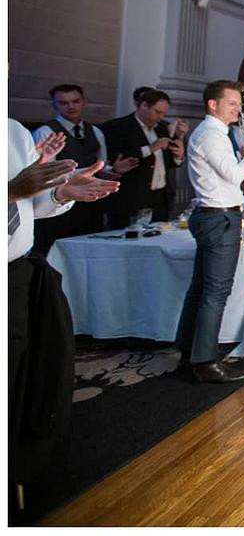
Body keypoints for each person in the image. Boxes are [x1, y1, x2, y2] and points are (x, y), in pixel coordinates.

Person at [9, 119, 119, 491]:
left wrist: (61, 194)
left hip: (18, 273)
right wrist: (8, 192)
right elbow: (14, 194)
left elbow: (33, 206)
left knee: (21, 378)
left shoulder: (14, 132)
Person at [175, 80, 244, 383]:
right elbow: (234, 176)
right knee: (215, 291)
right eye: (232, 103)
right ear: (213, 104)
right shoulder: (211, 135)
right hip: (219, 218)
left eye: (238, 102)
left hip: (213, 216)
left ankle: (189, 351)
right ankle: (205, 361)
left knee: (201, 288)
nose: (238, 108)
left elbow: (227, 171)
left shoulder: (215, 134)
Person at [32, 84, 135, 252]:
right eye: (63, 103)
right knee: (56, 249)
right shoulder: (46, 132)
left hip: (90, 204)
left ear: (83, 103)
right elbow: (46, 173)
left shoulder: (95, 131)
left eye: (75, 101)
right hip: (59, 203)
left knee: (89, 248)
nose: (71, 106)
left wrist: (114, 169)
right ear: (54, 105)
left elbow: (101, 164)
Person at [101, 88, 187, 228]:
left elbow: (168, 163)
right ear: (144, 106)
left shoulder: (162, 128)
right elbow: (116, 158)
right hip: (130, 199)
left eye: (163, 113)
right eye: (157, 112)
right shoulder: (117, 126)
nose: (160, 117)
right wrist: (151, 148)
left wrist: (179, 156)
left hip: (160, 198)